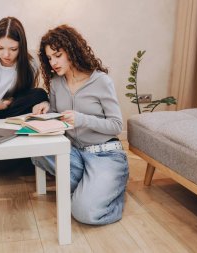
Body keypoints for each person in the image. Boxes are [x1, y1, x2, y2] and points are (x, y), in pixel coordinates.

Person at [31, 25, 129, 225]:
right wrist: (45, 106)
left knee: (84, 213)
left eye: (57, 55)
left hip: (105, 154)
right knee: (36, 149)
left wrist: (83, 119)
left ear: (72, 50)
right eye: (49, 58)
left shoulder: (101, 81)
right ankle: (94, 187)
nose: (53, 62)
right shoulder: (57, 83)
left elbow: (116, 125)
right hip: (74, 153)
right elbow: (58, 114)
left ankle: (112, 191)